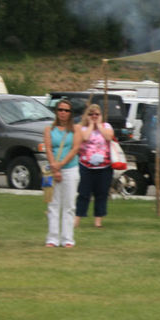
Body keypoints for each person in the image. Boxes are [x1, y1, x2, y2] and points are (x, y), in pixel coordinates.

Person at [44, 99, 81, 247]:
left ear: (70, 113)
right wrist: (54, 167)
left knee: (69, 204)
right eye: (60, 110)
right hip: (51, 170)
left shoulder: (75, 129)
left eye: (66, 110)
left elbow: (75, 149)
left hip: (70, 169)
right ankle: (52, 238)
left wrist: (61, 165)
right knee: (52, 204)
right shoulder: (48, 130)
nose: (63, 113)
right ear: (56, 111)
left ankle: (67, 238)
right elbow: (48, 148)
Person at [75, 104, 114, 229]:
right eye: (91, 114)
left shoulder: (106, 126)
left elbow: (109, 137)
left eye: (97, 114)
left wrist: (99, 125)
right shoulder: (83, 128)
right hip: (86, 166)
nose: (94, 116)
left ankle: (98, 221)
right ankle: (77, 219)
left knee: (101, 193)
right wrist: (92, 125)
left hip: (104, 166)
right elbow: (85, 138)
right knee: (84, 193)